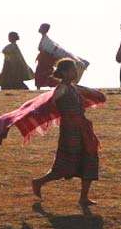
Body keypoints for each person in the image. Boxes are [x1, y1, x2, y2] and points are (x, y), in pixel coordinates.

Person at [30, 59, 106, 206]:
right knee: (65, 164)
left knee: (90, 159)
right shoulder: (62, 88)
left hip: (82, 128)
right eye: (73, 70)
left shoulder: (73, 87)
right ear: (65, 72)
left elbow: (95, 94)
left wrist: (95, 93)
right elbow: (50, 103)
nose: (76, 72)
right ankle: (39, 182)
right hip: (69, 130)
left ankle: (83, 197)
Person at [34, 23, 89, 90]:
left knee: (45, 74)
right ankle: (39, 87)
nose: (39, 29)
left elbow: (53, 51)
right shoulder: (46, 40)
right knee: (41, 74)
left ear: (45, 29)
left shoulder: (47, 41)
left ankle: (61, 85)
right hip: (43, 61)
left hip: (46, 61)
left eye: (41, 27)